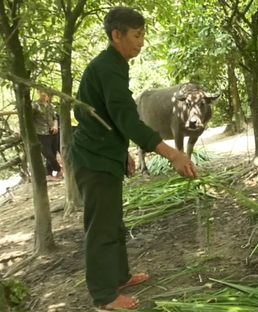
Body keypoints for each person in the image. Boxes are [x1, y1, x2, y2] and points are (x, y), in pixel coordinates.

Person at [68, 6, 199, 311]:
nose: (141, 42)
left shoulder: (114, 65)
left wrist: (121, 150)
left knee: (113, 222)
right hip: (93, 160)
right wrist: (173, 154)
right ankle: (104, 297)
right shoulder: (108, 67)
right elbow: (127, 119)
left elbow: (104, 116)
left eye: (143, 35)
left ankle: (119, 277)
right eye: (137, 35)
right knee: (101, 227)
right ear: (117, 35)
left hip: (104, 154)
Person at [33, 90, 62, 181]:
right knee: (47, 153)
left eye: (46, 93)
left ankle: (49, 174)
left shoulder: (50, 105)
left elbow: (55, 118)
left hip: (52, 132)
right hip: (41, 132)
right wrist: (20, 129)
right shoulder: (35, 105)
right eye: (41, 92)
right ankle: (59, 169)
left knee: (53, 153)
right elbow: (27, 118)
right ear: (38, 93)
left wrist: (55, 126)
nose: (44, 94)